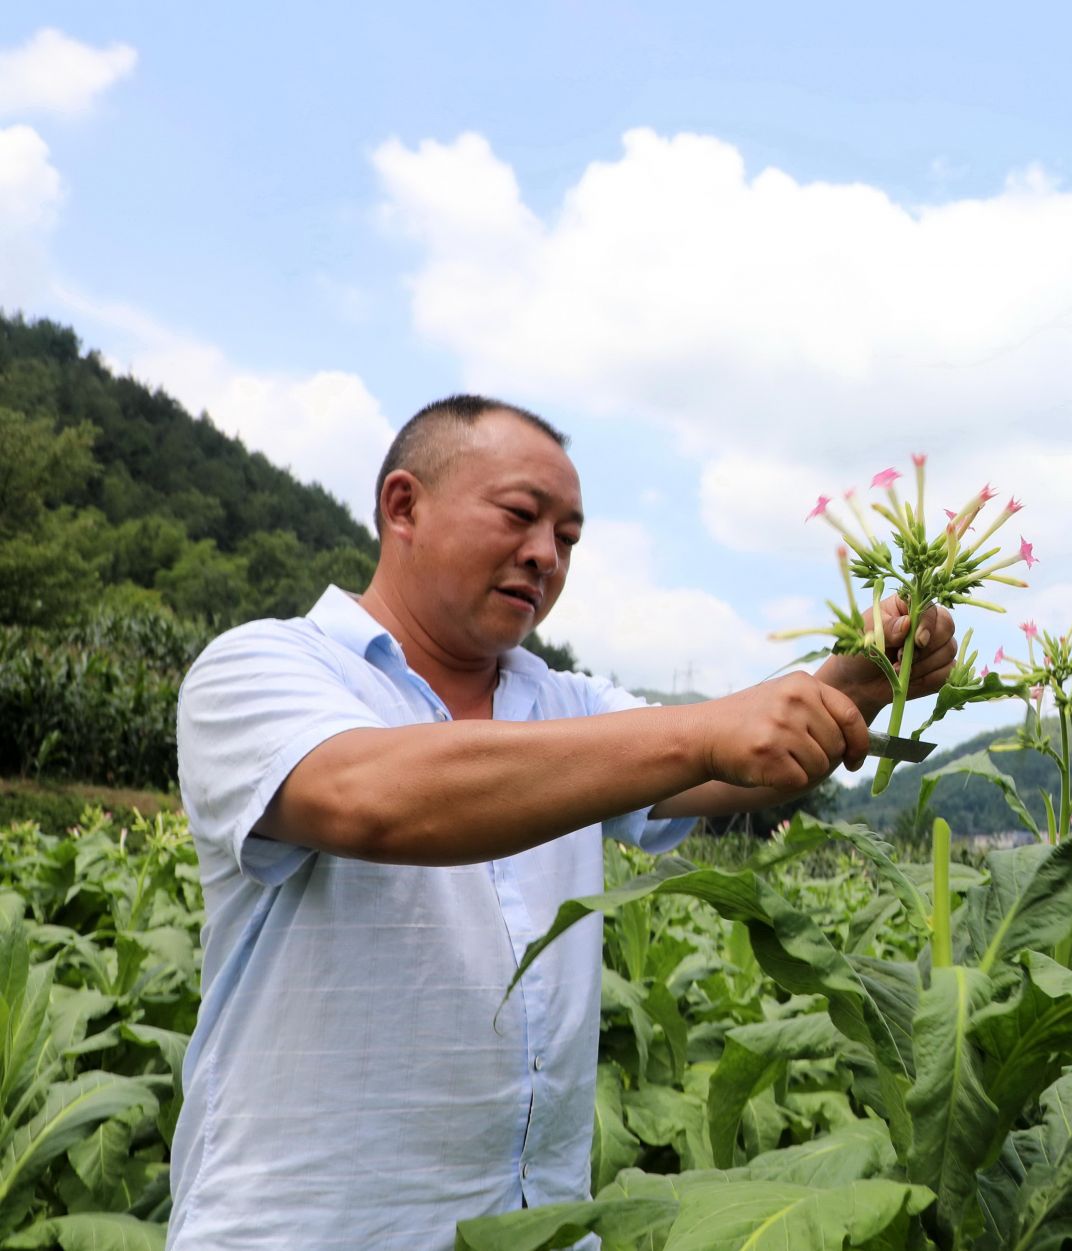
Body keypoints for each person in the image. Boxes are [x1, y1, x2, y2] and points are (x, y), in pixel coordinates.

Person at [168, 395, 956, 1249]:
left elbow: (713, 763)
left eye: (569, 538)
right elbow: (369, 796)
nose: (545, 555)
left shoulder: (566, 703)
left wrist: (859, 676)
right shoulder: (262, 667)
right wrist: (702, 731)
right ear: (404, 506)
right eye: (520, 515)